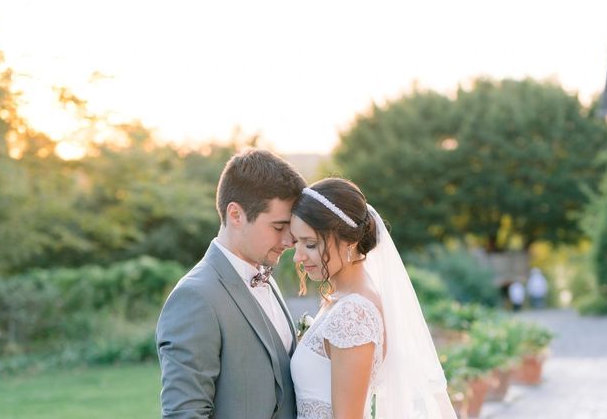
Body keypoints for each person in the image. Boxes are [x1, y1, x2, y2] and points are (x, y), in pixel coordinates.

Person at [156, 148, 306, 419]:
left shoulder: (267, 279)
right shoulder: (195, 297)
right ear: (236, 215)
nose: (289, 240)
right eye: (278, 226)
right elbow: (185, 413)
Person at [289, 178, 457, 419]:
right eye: (297, 242)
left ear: (349, 240)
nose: (298, 257)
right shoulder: (343, 300)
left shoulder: (354, 314)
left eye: (311, 244)